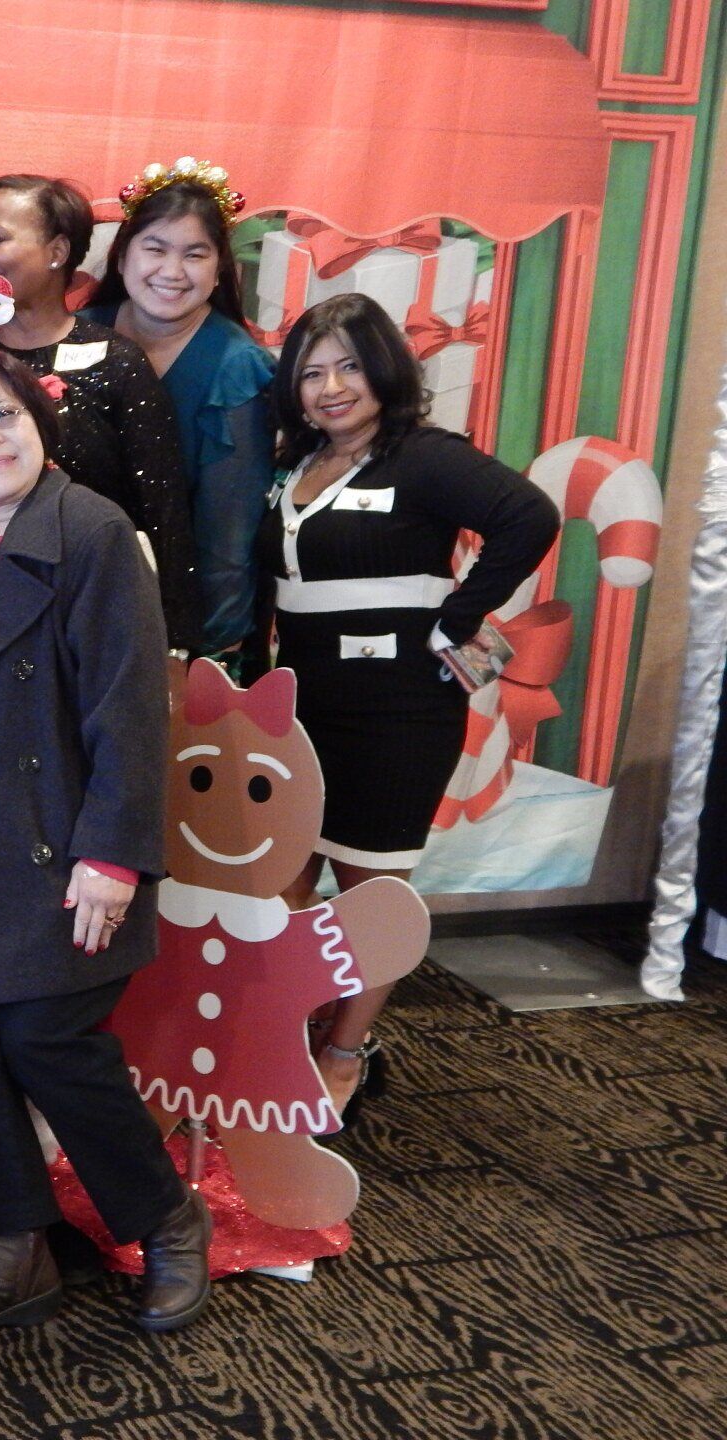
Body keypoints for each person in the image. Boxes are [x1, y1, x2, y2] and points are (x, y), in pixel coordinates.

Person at [0, 346, 212, 1347]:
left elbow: (131, 715)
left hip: (56, 845)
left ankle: (166, 1221)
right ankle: (12, 1250)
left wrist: (111, 856)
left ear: (40, 424)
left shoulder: (94, 533)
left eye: (3, 418)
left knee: (48, 1043)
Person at [260, 294, 558, 1112]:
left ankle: (347, 1052)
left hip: (396, 713)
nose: (330, 387)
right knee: (283, 882)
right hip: (303, 707)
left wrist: (458, 618)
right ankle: (285, 1032)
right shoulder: (292, 464)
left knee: (370, 892)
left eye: (349, 366)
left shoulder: (424, 456)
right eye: (312, 372)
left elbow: (529, 515)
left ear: (386, 368)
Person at [0, 173, 200, 651]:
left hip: (96, 619)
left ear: (57, 251)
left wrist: (174, 645)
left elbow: (163, 512)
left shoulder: (118, 361)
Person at [86, 158, 275, 668]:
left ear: (218, 272)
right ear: (123, 256)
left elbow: (228, 535)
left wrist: (209, 649)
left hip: (180, 628)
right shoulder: (74, 335)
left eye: (195, 254)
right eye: (155, 248)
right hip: (72, 606)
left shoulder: (237, 369)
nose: (172, 272)